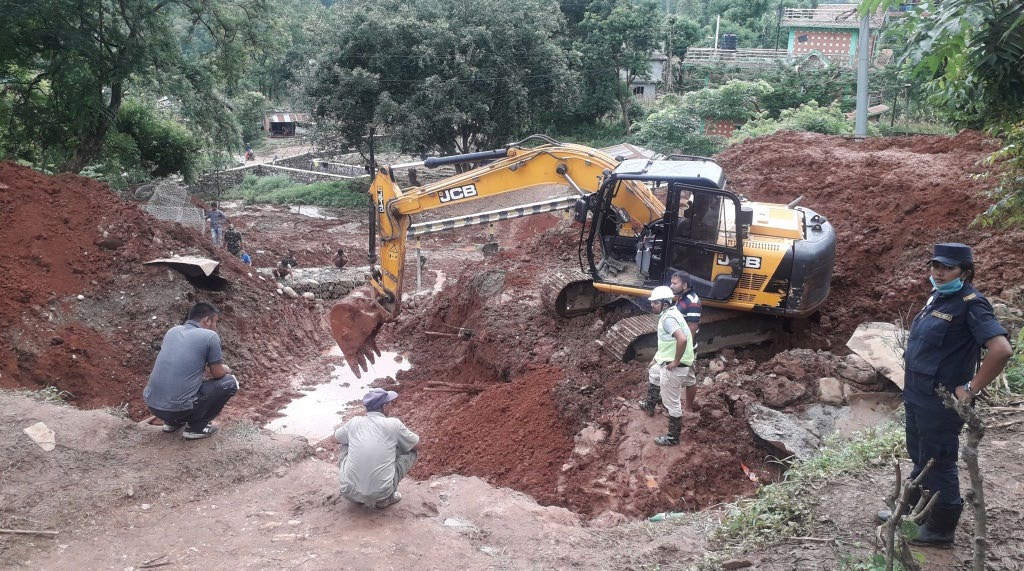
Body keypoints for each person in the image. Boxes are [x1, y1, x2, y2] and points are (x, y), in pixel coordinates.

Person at [896, 243, 1012, 546]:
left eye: (947, 267)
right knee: (920, 453)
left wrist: (971, 389)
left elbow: (1001, 350)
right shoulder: (938, 296)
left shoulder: (972, 304)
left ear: (966, 271)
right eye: (935, 265)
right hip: (917, 393)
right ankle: (918, 510)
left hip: (940, 399)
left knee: (939, 459)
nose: (939, 271)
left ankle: (942, 528)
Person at [143, 302, 239, 440]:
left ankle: (171, 423)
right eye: (215, 322)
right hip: (179, 410)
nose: (215, 327)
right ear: (207, 320)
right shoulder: (210, 336)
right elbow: (217, 373)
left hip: (154, 406)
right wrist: (226, 369)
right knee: (230, 382)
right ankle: (197, 428)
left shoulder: (172, 331)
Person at [335, 388, 419, 508]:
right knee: (411, 450)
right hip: (381, 494)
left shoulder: (354, 422)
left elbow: (335, 438)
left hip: (348, 492)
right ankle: (386, 498)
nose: (391, 405)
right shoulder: (393, 424)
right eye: (390, 403)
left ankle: (356, 494)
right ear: (384, 407)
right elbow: (417, 445)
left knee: (345, 442)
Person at [639, 286, 696, 446]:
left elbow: (682, 339)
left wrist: (676, 361)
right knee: (654, 372)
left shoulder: (669, 319)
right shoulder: (670, 313)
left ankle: (673, 437)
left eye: (655, 302)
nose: (652, 305)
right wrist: (656, 359)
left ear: (665, 303)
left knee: (671, 401)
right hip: (669, 359)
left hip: (677, 365)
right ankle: (650, 405)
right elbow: (667, 343)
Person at [670, 270, 702, 413]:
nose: (671, 286)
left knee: (689, 379)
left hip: (686, 347)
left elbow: (692, 328)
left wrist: (685, 350)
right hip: (678, 344)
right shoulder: (682, 297)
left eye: (674, 283)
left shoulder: (693, 302)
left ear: (684, 285)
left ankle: (688, 408)